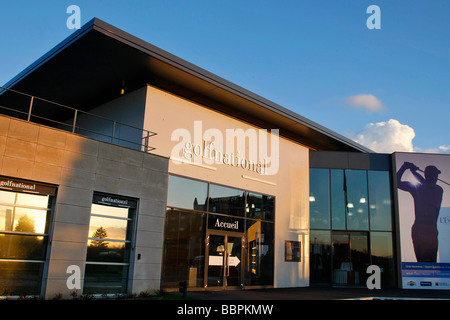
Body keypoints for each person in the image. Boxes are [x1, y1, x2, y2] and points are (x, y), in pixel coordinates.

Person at [397, 162, 443, 262]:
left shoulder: (437, 189)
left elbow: (426, 185)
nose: (436, 178)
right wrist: (408, 169)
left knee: (429, 262)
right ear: (431, 175)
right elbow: (396, 183)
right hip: (425, 227)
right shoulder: (430, 188)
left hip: (425, 227)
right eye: (435, 175)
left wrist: (409, 169)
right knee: (423, 261)